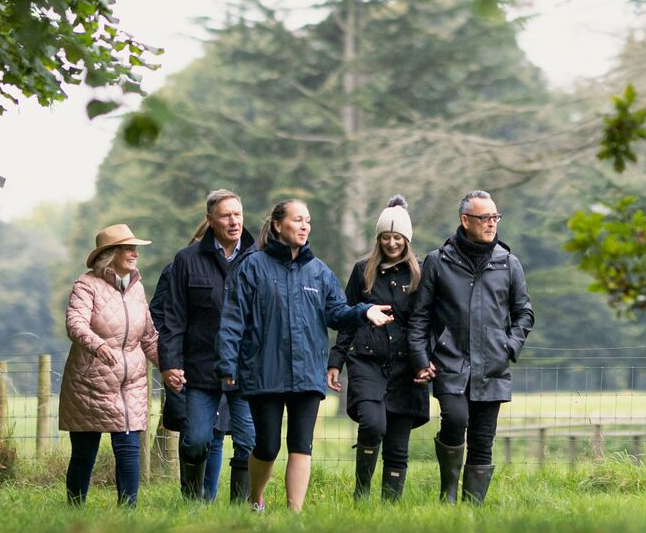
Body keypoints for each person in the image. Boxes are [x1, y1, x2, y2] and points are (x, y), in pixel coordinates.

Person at [216, 195, 390, 512]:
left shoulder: (318, 272)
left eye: (307, 221)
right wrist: (228, 365)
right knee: (267, 446)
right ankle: (256, 497)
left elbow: (337, 313)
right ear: (278, 225)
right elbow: (232, 320)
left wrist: (364, 311)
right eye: (298, 219)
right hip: (264, 372)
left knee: (301, 446)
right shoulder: (252, 267)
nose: (304, 226)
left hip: (307, 374)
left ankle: (295, 513)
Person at [411, 188, 533, 505]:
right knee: (454, 419)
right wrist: (422, 357)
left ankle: (472, 508)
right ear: (466, 220)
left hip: (492, 365)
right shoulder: (438, 262)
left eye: (495, 216)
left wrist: (508, 346)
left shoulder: (508, 263)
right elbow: (420, 316)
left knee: (482, 440)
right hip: (449, 362)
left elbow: (524, 313)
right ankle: (448, 494)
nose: (492, 223)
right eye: (485, 217)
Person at [149, 189, 257, 501]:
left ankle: (241, 508)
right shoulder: (186, 261)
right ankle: (193, 502)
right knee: (196, 440)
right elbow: (173, 319)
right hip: (200, 371)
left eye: (238, 214)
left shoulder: (258, 258)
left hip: (245, 371)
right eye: (226, 215)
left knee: (249, 441)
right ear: (210, 220)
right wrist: (169, 364)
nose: (234, 221)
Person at [329, 196, 431, 500]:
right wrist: (335, 361)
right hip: (367, 361)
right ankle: (361, 494)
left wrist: (427, 360)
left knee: (398, 443)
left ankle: (390, 506)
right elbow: (347, 318)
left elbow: (427, 321)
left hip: (406, 365)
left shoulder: (421, 274)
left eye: (397, 237)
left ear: (407, 239)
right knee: (372, 424)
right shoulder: (363, 271)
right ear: (378, 238)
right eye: (385, 237)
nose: (391, 243)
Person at [58, 222, 159, 506]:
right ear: (110, 253)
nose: (135, 253)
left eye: (135, 248)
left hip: (131, 383)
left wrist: (170, 368)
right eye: (128, 248)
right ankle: (74, 508)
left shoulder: (137, 289)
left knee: (129, 449)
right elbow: (75, 323)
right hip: (90, 382)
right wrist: (98, 345)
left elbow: (149, 335)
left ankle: (127, 512)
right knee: (84, 453)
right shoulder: (86, 285)